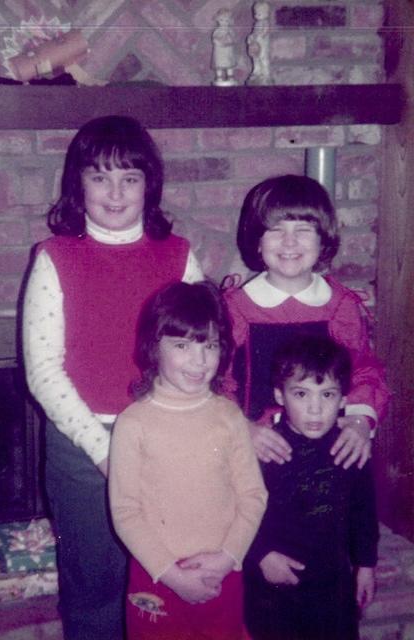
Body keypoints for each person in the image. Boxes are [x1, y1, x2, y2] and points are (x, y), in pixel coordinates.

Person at [22, 115, 203, 640]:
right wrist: (104, 450)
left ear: (150, 184)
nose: (116, 191)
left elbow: (203, 354)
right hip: (84, 453)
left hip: (168, 445)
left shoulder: (180, 256)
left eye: (130, 177)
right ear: (78, 184)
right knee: (95, 590)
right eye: (100, 176)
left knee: (163, 584)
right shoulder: (55, 257)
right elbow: (43, 368)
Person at [109, 281, 268, 640]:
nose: (199, 361)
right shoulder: (133, 423)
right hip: (157, 578)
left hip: (222, 574)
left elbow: (253, 496)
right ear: (154, 348)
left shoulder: (229, 417)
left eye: (209, 346)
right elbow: (125, 512)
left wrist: (228, 558)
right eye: (182, 346)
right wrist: (173, 576)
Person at [223, 174, 389, 470]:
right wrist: (241, 430)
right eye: (276, 230)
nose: (289, 242)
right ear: (257, 242)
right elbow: (219, 381)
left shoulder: (341, 306)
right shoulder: (236, 308)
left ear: (323, 238)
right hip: (255, 447)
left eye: (303, 229)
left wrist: (360, 421)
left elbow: (363, 370)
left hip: (325, 447)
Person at [243, 334, 379, 640]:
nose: (315, 409)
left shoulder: (350, 447)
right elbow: (235, 510)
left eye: (327, 395)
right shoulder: (265, 448)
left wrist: (366, 565)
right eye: (302, 394)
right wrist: (261, 554)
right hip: (271, 587)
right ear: (280, 395)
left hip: (332, 588)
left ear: (344, 400)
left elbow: (363, 512)